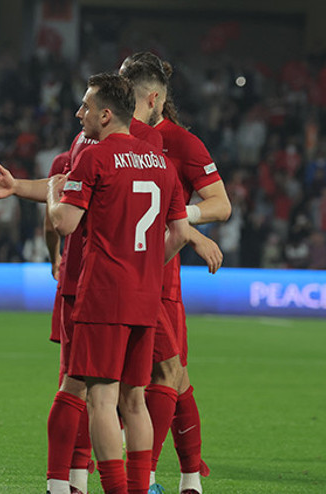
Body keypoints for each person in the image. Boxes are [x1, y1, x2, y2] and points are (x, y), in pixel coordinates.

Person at [47, 72, 203, 494]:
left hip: (103, 295)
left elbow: (64, 223)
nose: (80, 113)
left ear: (106, 113)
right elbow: (181, 232)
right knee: (136, 401)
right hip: (145, 296)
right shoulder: (161, 164)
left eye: (85, 106)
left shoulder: (93, 158)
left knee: (100, 398)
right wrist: (151, 268)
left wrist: (51, 191)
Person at [120, 52, 232, 494]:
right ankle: (187, 480)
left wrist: (178, 219)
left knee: (167, 377)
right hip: (123, 273)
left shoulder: (181, 143)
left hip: (161, 279)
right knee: (170, 377)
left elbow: (221, 204)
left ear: (151, 98)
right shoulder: (112, 137)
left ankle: (149, 477)